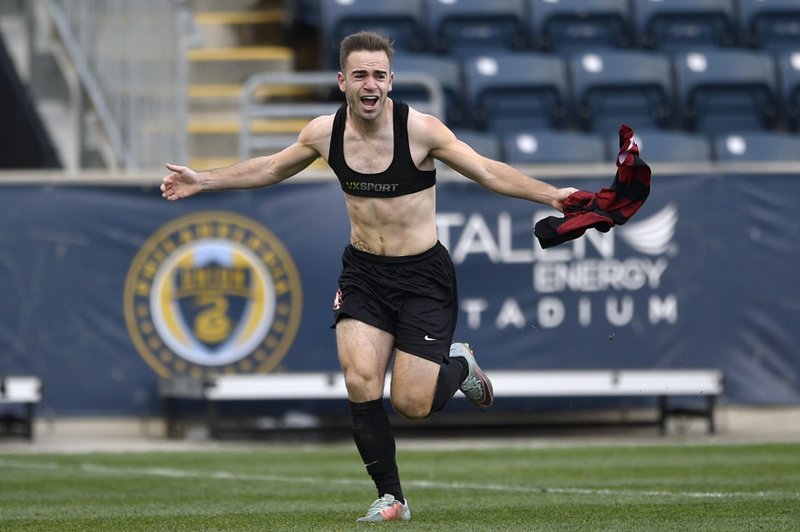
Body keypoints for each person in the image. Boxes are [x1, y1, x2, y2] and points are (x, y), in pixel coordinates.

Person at [161, 31, 577, 522]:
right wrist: (203, 179)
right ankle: (393, 499)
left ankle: (460, 364)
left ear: (391, 81)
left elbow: (487, 171)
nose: (370, 83)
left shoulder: (420, 130)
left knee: (411, 403)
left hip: (423, 277)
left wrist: (552, 197)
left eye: (379, 74)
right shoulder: (324, 132)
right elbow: (271, 168)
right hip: (363, 273)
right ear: (342, 81)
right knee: (360, 380)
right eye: (360, 74)